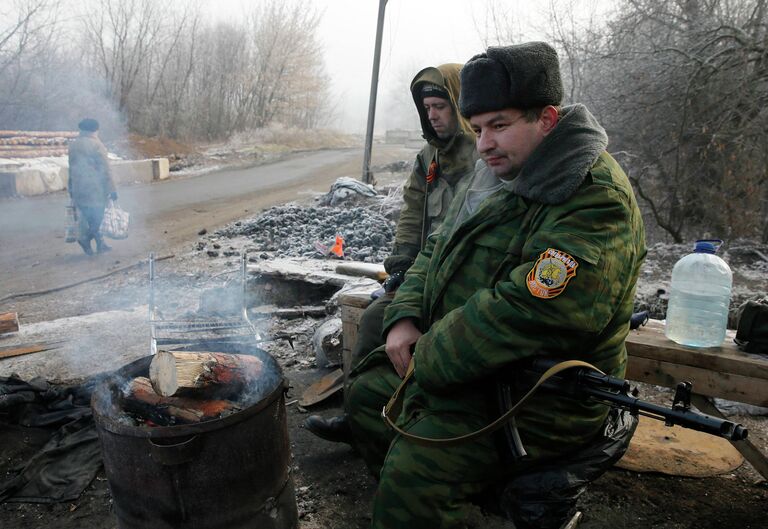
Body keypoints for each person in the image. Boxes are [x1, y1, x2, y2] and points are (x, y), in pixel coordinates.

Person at [343, 42, 647, 529]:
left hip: (541, 395)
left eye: (499, 126)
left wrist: (429, 357)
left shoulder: (593, 198)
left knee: (417, 466)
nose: (484, 144)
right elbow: (438, 245)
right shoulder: (494, 173)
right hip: (469, 368)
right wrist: (405, 315)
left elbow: (532, 310)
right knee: (364, 400)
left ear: (547, 119)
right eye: (479, 128)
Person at [304, 63, 477, 440]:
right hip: (422, 274)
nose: (432, 115)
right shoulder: (427, 158)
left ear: (460, 105)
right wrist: (399, 267)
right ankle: (360, 415)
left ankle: (417, 424)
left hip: (468, 278)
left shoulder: (486, 154)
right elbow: (412, 215)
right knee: (371, 321)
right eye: (427, 107)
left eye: (440, 106)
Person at [67, 118, 117, 255]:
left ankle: (100, 244)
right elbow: (105, 169)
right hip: (95, 188)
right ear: (95, 130)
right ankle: (85, 239)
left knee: (89, 217)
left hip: (79, 188)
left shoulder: (74, 145)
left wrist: (70, 187)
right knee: (98, 218)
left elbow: (71, 168)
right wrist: (112, 189)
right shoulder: (96, 145)